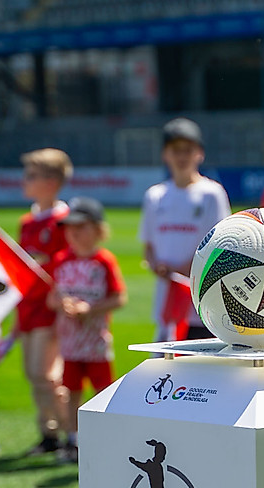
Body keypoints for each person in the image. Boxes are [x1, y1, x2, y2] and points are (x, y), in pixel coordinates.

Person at [48, 197, 127, 463]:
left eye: (80, 227)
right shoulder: (61, 259)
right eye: (69, 227)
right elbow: (52, 297)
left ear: (97, 229)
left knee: (103, 390)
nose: (73, 233)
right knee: (71, 391)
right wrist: (63, 304)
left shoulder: (103, 261)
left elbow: (119, 298)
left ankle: (106, 438)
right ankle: (73, 440)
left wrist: (90, 309)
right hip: (70, 343)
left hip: (95, 342)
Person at [141, 118, 230, 341]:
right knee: (165, 361)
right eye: (175, 150)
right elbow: (148, 246)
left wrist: (184, 270)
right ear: (165, 154)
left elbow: (221, 245)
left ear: (199, 153)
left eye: (188, 150)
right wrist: (158, 267)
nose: (182, 157)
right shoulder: (155, 196)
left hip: (203, 306)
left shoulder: (212, 193)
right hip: (168, 305)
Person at [17, 148, 73, 456]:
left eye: (31, 176)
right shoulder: (27, 222)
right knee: (33, 373)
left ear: (51, 182)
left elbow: (66, 265)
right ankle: (48, 434)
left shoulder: (64, 221)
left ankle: (71, 434)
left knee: (45, 373)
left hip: (49, 309)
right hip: (27, 307)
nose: (24, 181)